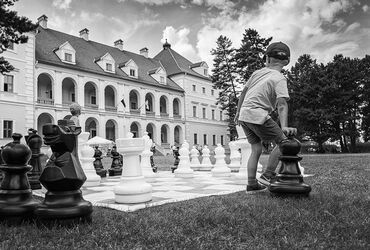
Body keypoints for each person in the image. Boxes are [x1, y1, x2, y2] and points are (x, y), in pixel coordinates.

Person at [235, 41, 297, 192]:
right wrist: (284, 128)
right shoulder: (279, 78)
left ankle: (252, 184)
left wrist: (237, 113)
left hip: (244, 115)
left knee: (256, 149)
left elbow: (243, 92)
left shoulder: (257, 73)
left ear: (267, 59)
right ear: (287, 61)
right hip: (257, 114)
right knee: (284, 143)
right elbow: (282, 104)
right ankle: (268, 175)